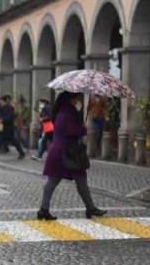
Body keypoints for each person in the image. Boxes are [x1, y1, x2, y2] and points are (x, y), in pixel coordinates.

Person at [38, 91, 107, 221]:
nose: (79, 100)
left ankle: (44, 209)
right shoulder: (68, 113)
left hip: (61, 151)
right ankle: (90, 208)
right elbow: (72, 131)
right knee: (77, 180)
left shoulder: (62, 111)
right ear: (72, 98)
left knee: (56, 181)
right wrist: (84, 129)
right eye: (78, 97)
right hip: (68, 152)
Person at [0, 95, 25, 159]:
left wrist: (2, 120)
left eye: (0, 100)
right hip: (0, 127)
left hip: (7, 127)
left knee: (14, 141)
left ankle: (22, 153)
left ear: (3, 101)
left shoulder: (10, 108)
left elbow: (10, 117)